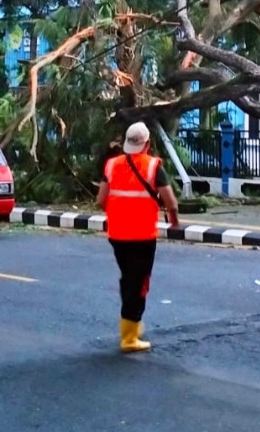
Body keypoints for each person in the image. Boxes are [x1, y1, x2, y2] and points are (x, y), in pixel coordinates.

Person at [95, 122, 180, 353]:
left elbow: (101, 200)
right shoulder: (153, 166)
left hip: (117, 235)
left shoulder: (112, 165)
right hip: (143, 236)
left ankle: (131, 325)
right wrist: (174, 221)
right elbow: (171, 202)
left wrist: (118, 213)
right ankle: (129, 337)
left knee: (128, 278)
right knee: (138, 284)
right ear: (147, 143)